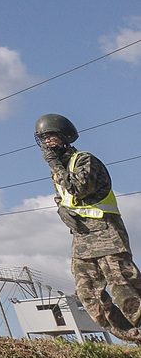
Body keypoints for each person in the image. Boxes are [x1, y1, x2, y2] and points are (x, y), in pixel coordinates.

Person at [36, 113, 141, 342]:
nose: (48, 142)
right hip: (82, 241)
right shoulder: (58, 171)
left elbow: (79, 187)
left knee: (127, 294)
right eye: (44, 139)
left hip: (106, 235)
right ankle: (135, 336)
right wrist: (60, 209)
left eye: (52, 136)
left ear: (65, 137)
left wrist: (55, 164)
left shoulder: (84, 160)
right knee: (90, 298)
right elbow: (64, 197)